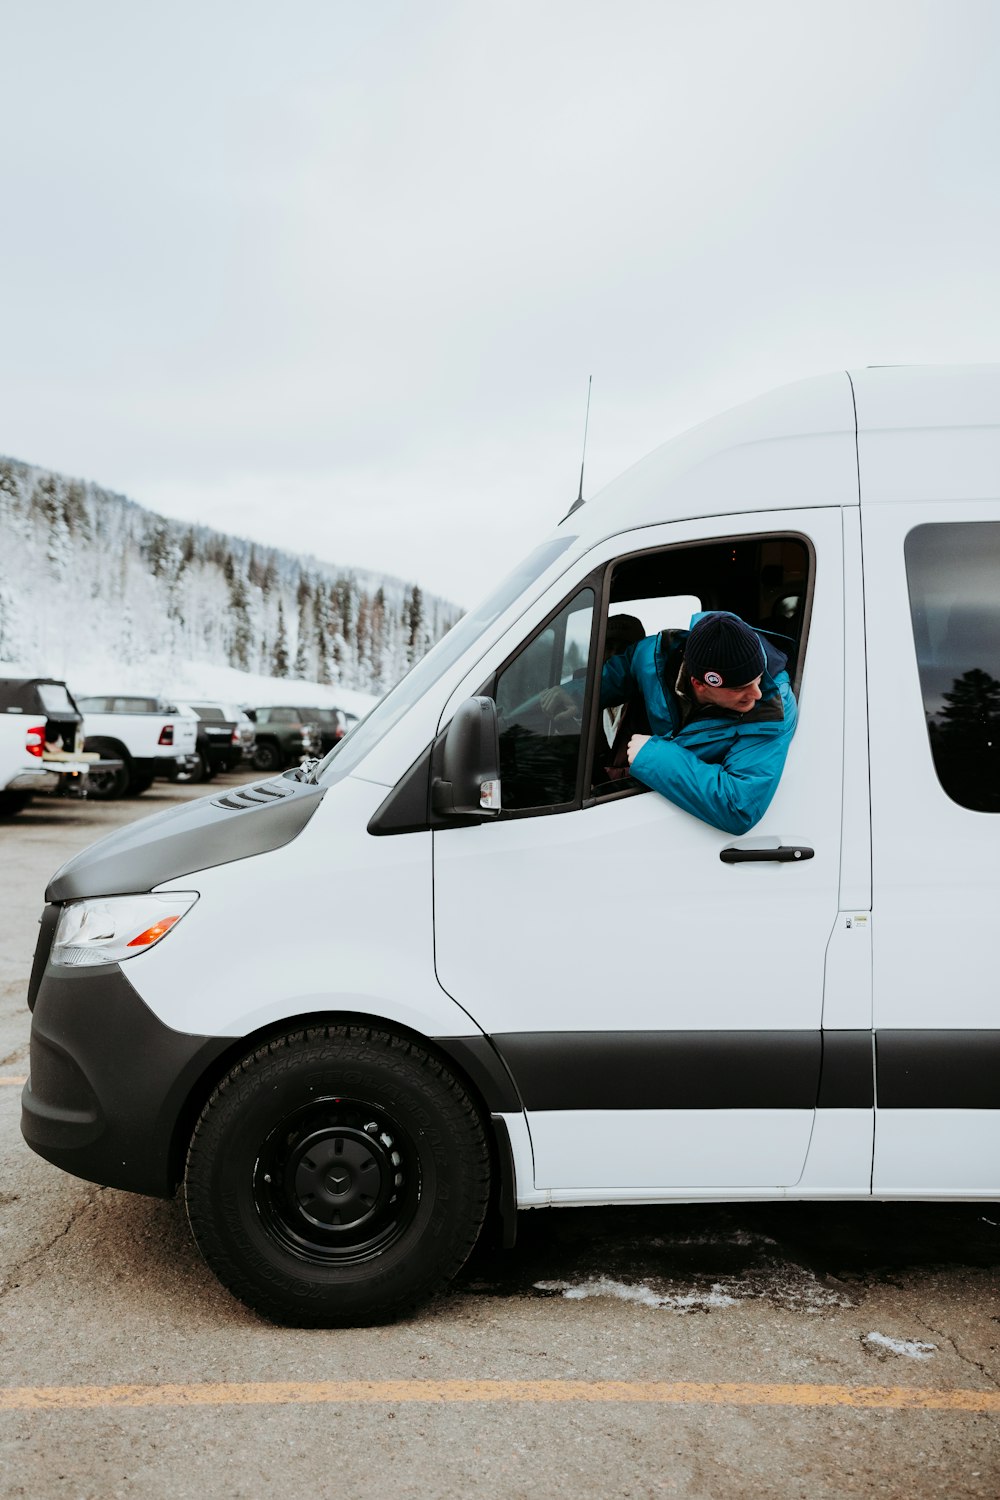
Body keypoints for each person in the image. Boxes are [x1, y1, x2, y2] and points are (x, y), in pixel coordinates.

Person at [603, 610, 797, 834]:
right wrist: (568, 695)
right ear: (699, 684)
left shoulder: (773, 707)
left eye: (757, 680)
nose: (757, 694)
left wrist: (652, 756)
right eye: (739, 688)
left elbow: (740, 806)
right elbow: (614, 676)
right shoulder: (652, 657)